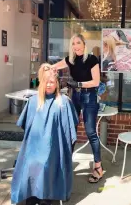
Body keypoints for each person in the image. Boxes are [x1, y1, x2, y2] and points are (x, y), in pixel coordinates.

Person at [11, 63, 78, 205]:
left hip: (54, 147)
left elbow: (69, 131)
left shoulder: (63, 102)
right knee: (31, 163)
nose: (49, 85)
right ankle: (32, 195)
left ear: (57, 84)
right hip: (34, 146)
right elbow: (26, 126)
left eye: (52, 82)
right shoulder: (34, 101)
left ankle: (45, 198)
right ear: (42, 83)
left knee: (46, 164)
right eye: (46, 82)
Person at [52, 33, 103, 183]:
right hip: (75, 97)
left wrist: (79, 84)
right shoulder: (70, 60)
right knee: (71, 129)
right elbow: (54, 66)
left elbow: (96, 82)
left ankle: (98, 167)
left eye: (78, 43)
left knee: (91, 132)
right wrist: (48, 71)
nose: (76, 46)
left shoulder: (92, 59)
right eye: (73, 43)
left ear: (84, 44)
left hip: (89, 97)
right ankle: (66, 164)